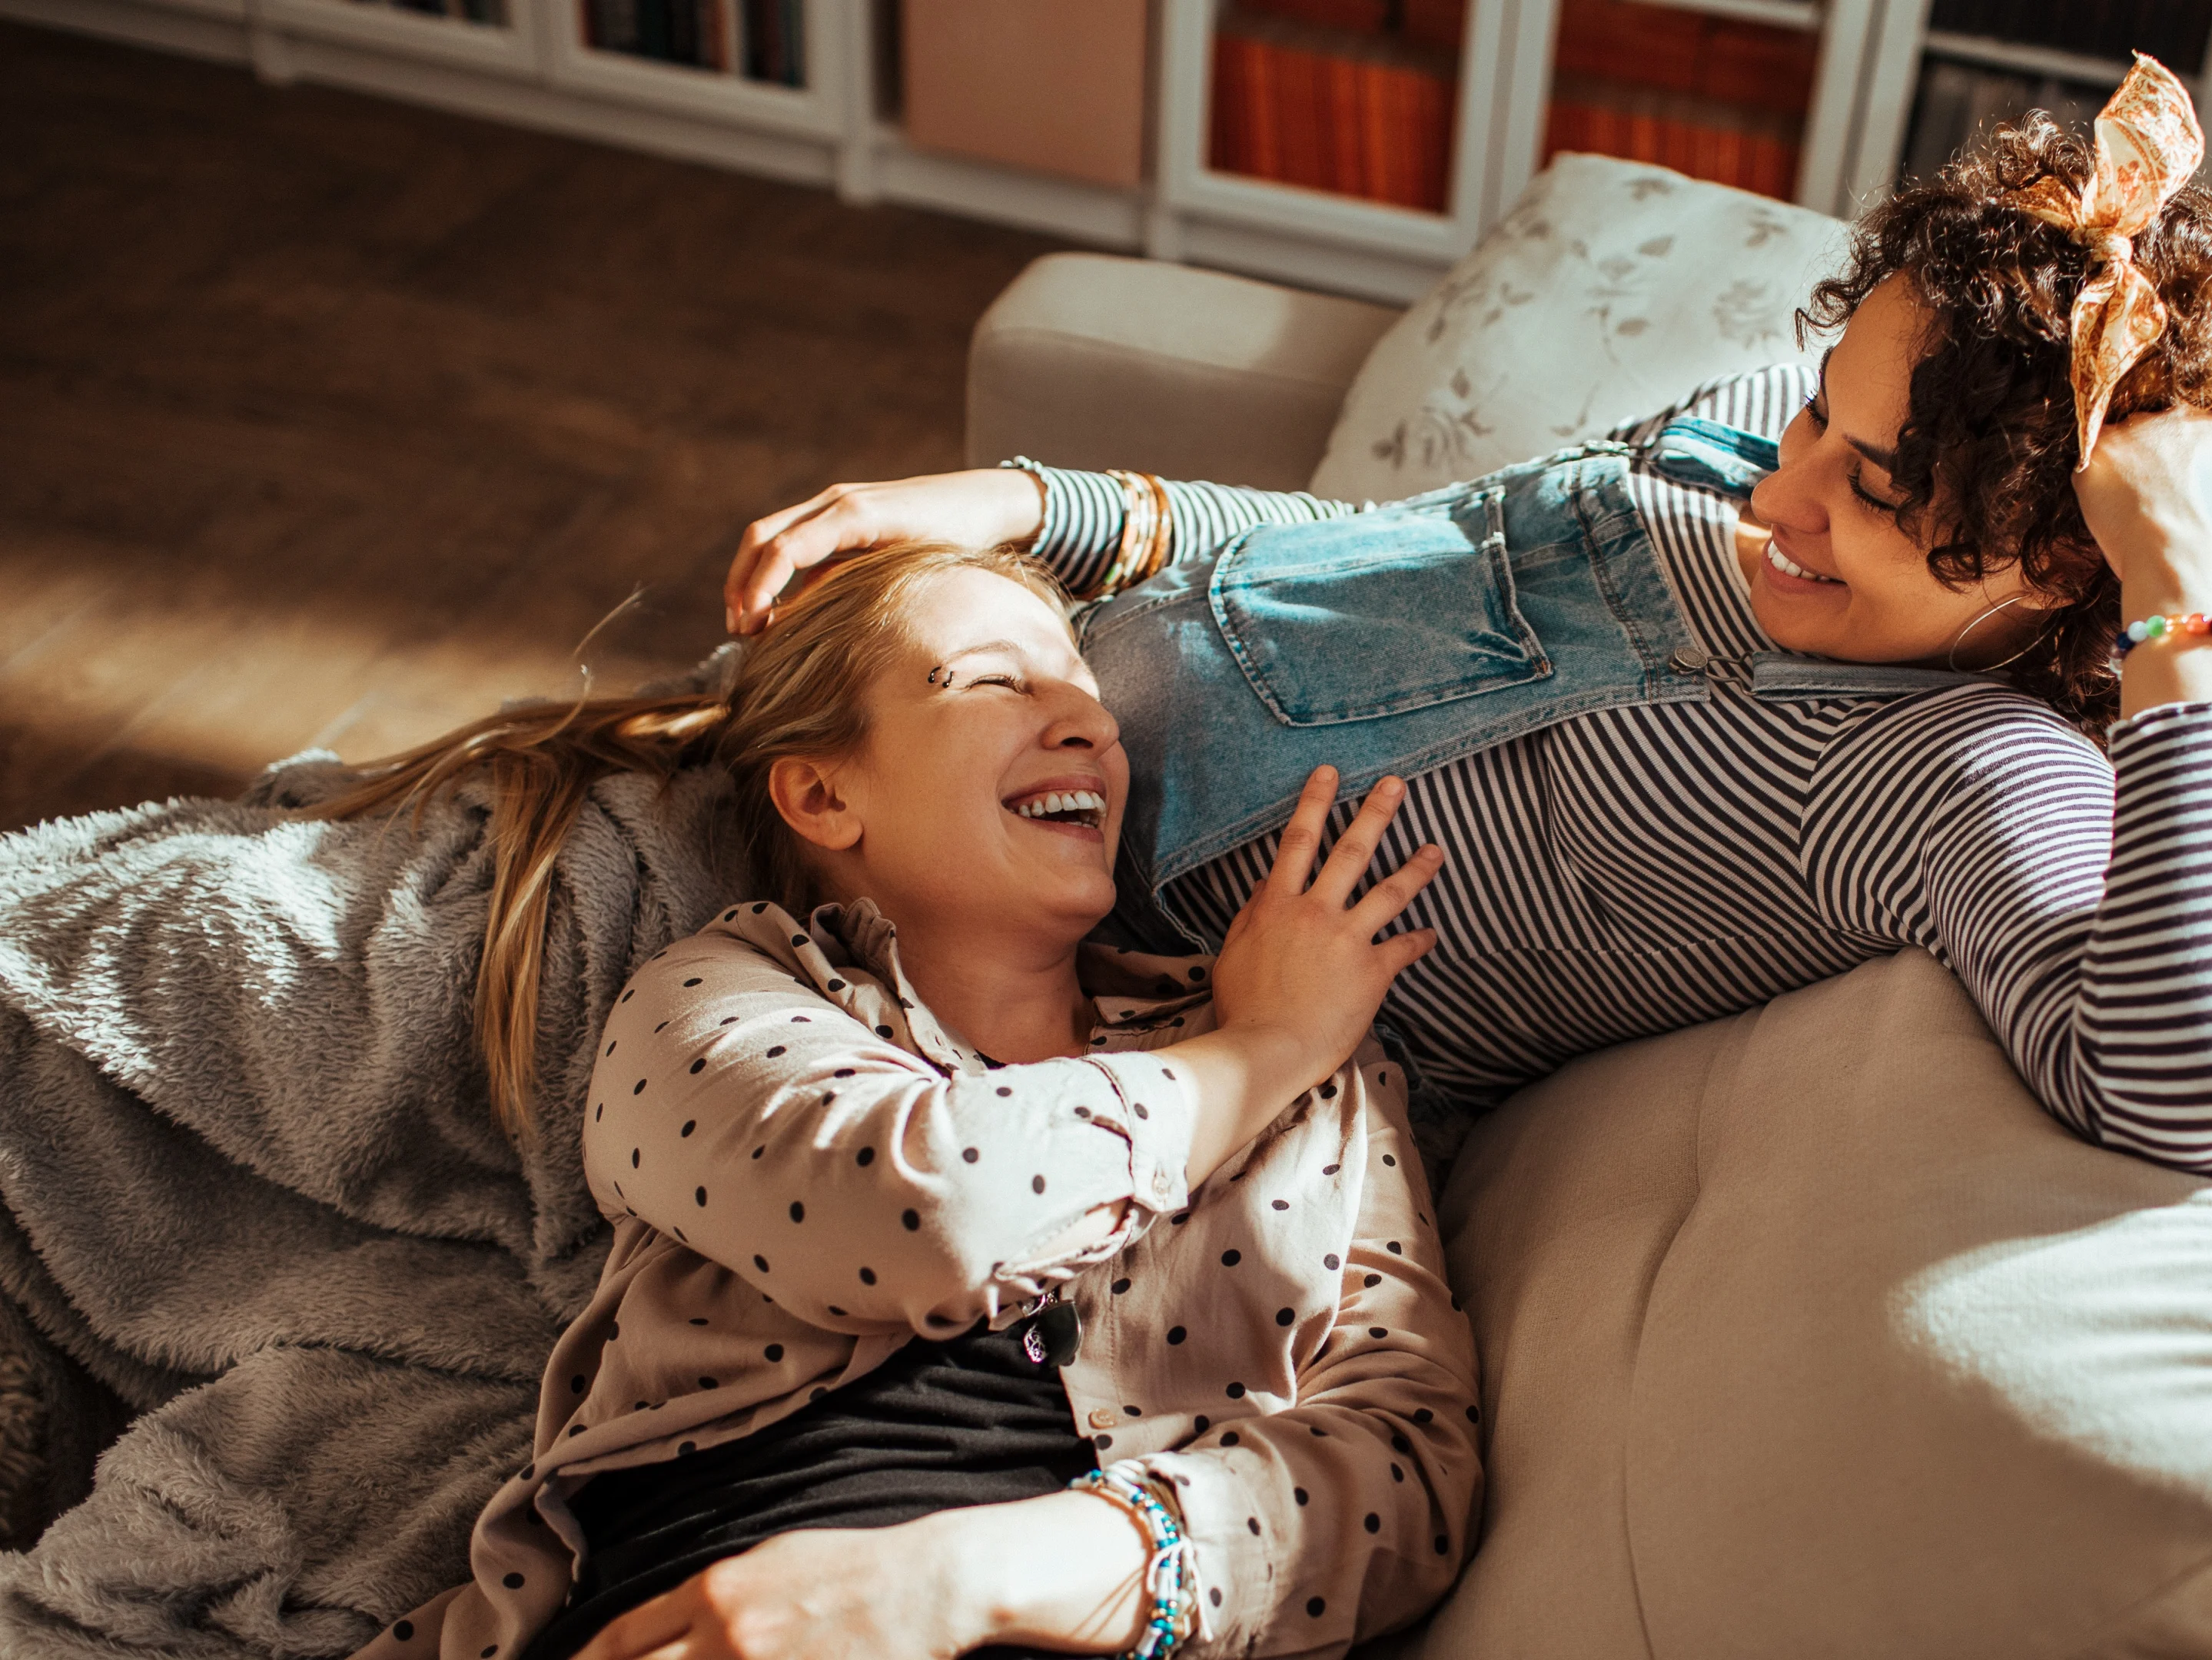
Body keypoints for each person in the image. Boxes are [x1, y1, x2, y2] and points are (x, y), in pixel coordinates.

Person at [721, 60, 2212, 1180]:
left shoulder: (1948, 783)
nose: (1781, 500)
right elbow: (1374, 560)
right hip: (966, 708)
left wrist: (2192, 599)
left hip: (1002, 1007)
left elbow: (2199, 1089)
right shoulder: (1745, 440)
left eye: (1869, 492)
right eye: (1817, 424)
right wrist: (1027, 510)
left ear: (2057, 568)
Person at [334, 540, 1480, 1660]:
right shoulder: (711, 1001)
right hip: (705, 1598)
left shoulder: (1317, 1073)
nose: (1090, 723)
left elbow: (1407, 1470)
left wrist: (965, 1582)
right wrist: (1262, 1048)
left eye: (1089, 695)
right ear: (825, 793)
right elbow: (926, 1214)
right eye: (990, 679)